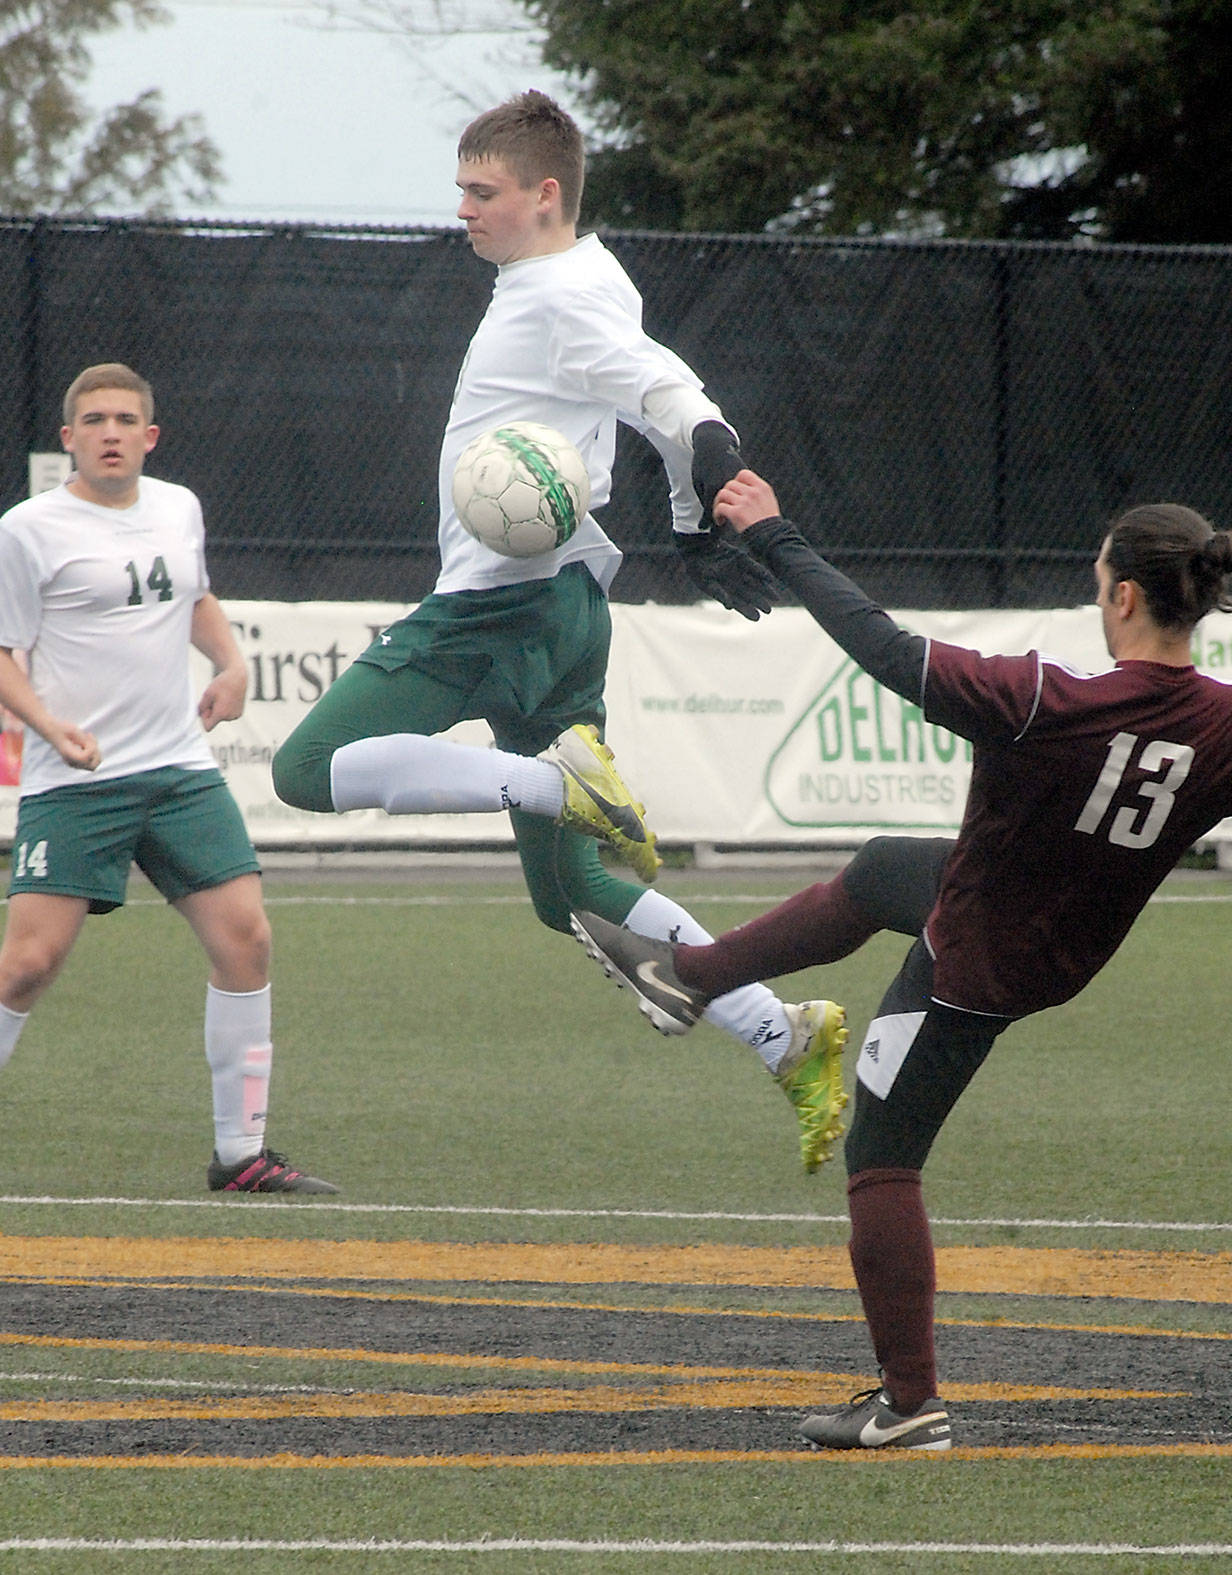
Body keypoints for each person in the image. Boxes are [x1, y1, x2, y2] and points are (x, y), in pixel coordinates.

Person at [571, 471, 1232, 1450]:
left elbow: (881, 647)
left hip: (976, 959)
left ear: (1120, 595)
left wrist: (774, 535)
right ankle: (684, 979)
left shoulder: (1041, 700)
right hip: (1057, 935)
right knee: (881, 872)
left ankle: (909, 1406)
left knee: (880, 1158)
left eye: (1097, 578)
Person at [270, 91, 848, 1173]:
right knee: (572, 895)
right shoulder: (589, 275)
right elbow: (652, 390)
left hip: (500, 608)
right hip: (564, 610)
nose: (461, 210)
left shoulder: (549, 297)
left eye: (479, 192)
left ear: (544, 194)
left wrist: (711, 466)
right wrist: (686, 524)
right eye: (459, 190)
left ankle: (553, 781)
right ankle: (786, 1038)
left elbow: (663, 389)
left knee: (306, 769)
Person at [0, 363, 335, 1196]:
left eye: (124, 419)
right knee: (25, 966)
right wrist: (48, 726)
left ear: (149, 437)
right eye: (93, 420)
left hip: (179, 771)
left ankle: (241, 1154)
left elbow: (195, 598)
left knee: (247, 940)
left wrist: (231, 663)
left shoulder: (178, 507)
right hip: (75, 779)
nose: (109, 432)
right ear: (69, 438)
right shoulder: (27, 530)